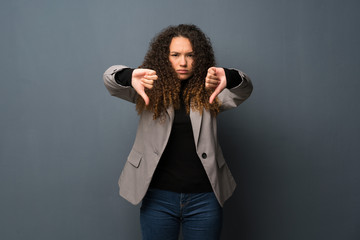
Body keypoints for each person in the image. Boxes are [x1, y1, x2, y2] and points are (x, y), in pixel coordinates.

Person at [103, 24, 253, 240]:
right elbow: (110, 79)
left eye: (190, 55)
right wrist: (130, 75)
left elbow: (244, 89)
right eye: (175, 55)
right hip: (158, 197)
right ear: (164, 57)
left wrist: (229, 76)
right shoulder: (148, 85)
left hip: (205, 198)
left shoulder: (211, 89)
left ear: (199, 57)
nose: (183, 62)